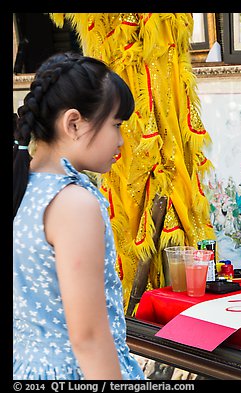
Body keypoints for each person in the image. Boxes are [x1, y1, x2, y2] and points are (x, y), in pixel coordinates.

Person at [13, 52, 146, 380]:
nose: (120, 140)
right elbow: (88, 337)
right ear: (74, 123)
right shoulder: (73, 203)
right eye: (115, 125)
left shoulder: (23, 185)